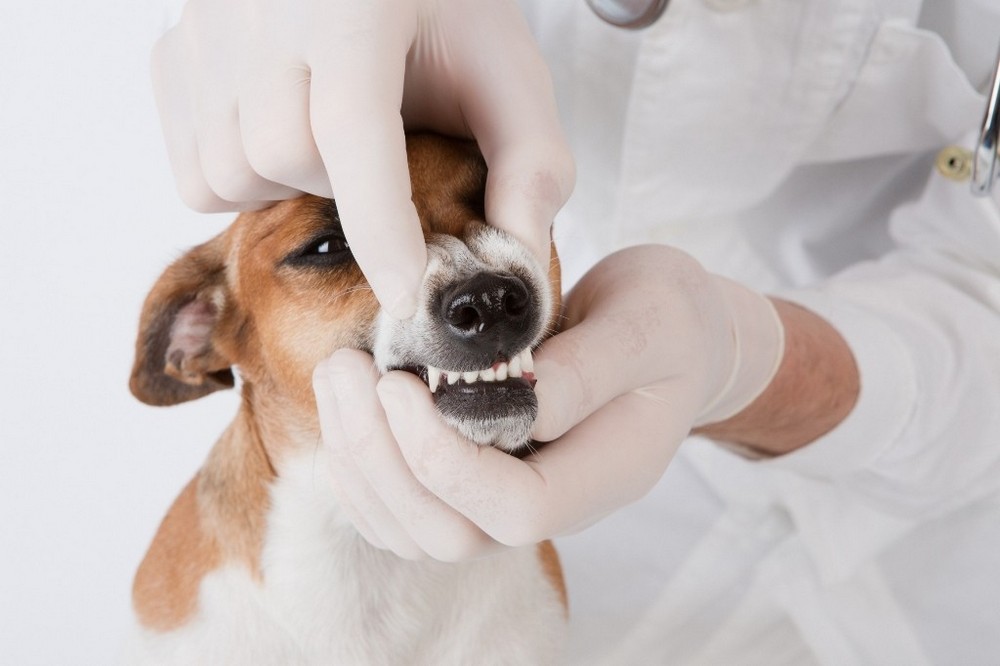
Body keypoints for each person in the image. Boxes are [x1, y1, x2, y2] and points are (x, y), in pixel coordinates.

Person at [151, 0, 1000, 662]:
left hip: (947, 549)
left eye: (483, 202)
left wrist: (747, 359)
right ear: (203, 340)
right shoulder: (179, 624)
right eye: (330, 249)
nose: (473, 288)